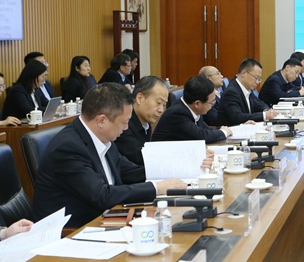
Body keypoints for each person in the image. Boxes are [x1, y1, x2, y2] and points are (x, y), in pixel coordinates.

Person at [32, 84, 188, 228]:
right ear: (101, 120)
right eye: (124, 122)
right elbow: (102, 195)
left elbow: (129, 171)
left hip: (106, 219)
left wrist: (175, 171)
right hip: (73, 231)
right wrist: (156, 188)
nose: (126, 128)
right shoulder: (68, 148)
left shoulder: (103, 138)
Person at [152, 76, 232, 143]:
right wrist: (223, 132)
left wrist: (222, 129)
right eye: (211, 102)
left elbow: (205, 129)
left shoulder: (193, 109)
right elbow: (201, 136)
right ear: (197, 104)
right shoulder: (177, 113)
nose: (212, 106)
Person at [114, 76, 170, 166]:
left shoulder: (146, 122)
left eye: (164, 105)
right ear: (140, 98)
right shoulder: (124, 125)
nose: (161, 110)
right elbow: (140, 158)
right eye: (158, 103)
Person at [218, 58, 279, 125]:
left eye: (259, 79)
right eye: (256, 78)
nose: (257, 82)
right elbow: (238, 117)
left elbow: (258, 103)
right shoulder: (231, 92)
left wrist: (267, 110)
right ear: (243, 73)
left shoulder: (248, 89)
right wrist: (264, 115)